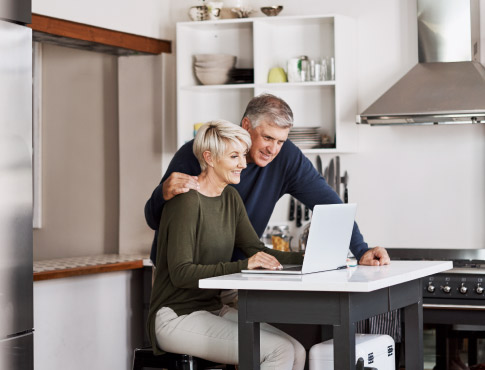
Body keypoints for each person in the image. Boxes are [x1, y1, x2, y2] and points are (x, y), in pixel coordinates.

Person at [145, 93, 390, 266]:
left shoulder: (287, 158)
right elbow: (153, 219)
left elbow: (331, 205)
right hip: (183, 280)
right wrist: (162, 193)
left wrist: (361, 251)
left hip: (236, 273)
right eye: (267, 138)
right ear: (246, 125)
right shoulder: (199, 153)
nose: (273, 149)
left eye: (280, 141)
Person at [147, 120, 306, 369]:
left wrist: (311, 259)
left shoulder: (230, 197)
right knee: (279, 350)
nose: (243, 163)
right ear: (209, 157)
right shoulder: (187, 200)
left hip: (210, 308)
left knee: (296, 349)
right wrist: (244, 265)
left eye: (243, 154)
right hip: (176, 315)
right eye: (234, 156)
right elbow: (181, 273)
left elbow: (258, 251)